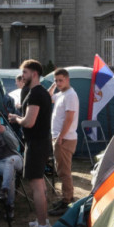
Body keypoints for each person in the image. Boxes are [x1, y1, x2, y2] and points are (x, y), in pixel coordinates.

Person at [8, 59, 52, 227]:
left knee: (36, 185)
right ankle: (43, 220)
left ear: (34, 74)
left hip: (37, 144)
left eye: (25, 73)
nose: (22, 76)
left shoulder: (36, 94)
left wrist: (16, 119)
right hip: (40, 142)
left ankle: (42, 226)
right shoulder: (39, 92)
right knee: (39, 184)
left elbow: (29, 121)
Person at [48, 68, 79, 217]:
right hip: (60, 137)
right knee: (60, 169)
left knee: (64, 171)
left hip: (65, 138)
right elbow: (48, 97)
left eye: (61, 80)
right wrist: (54, 86)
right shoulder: (61, 94)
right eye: (56, 80)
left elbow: (69, 118)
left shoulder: (71, 95)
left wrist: (61, 136)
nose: (58, 83)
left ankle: (67, 201)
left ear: (67, 79)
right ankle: (65, 198)